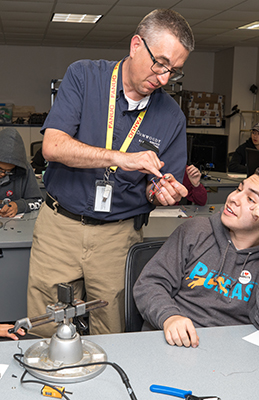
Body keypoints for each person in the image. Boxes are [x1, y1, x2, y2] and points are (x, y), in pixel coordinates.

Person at [27, 9, 195, 338]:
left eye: (173, 71)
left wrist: (161, 193)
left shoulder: (172, 116)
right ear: (136, 45)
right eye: (159, 63)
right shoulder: (84, 77)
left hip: (118, 237)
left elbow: (160, 185)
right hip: (59, 227)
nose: (163, 78)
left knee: (112, 331)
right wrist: (123, 158)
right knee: (46, 328)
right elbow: (53, 146)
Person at [134, 166, 259, 348]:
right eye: (239, 189)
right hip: (174, 343)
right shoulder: (195, 231)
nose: (233, 198)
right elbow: (150, 284)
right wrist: (169, 316)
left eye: (250, 199)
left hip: (232, 354)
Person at [0, 127, 43, 218]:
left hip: (14, 226)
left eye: (9, 171)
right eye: (0, 169)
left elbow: (38, 201)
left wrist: (19, 206)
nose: (3, 174)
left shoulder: (25, 169)